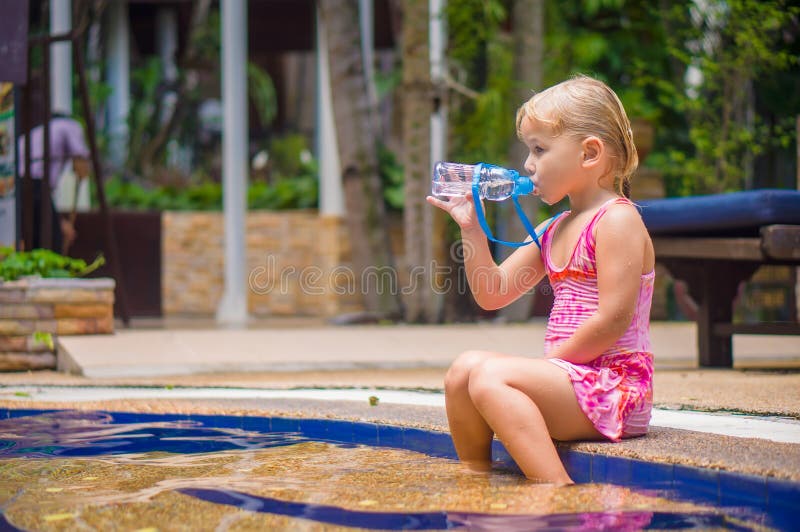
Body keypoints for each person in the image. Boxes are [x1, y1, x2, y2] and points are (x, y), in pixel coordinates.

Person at [426, 75, 655, 485]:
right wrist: (471, 229)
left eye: (539, 150)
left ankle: (555, 490)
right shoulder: (555, 228)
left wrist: (549, 367)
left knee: (491, 376)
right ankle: (476, 481)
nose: (528, 165)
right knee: (463, 370)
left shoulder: (618, 220)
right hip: (573, 381)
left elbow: (613, 319)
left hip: (615, 390)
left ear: (589, 154)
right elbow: (492, 293)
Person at [17, 111, 91, 253]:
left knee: (31, 235)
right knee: (51, 241)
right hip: (34, 182)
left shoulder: (39, 132)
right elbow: (81, 162)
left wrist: (60, 222)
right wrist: (82, 172)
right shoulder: (70, 126)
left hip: (15, 182)